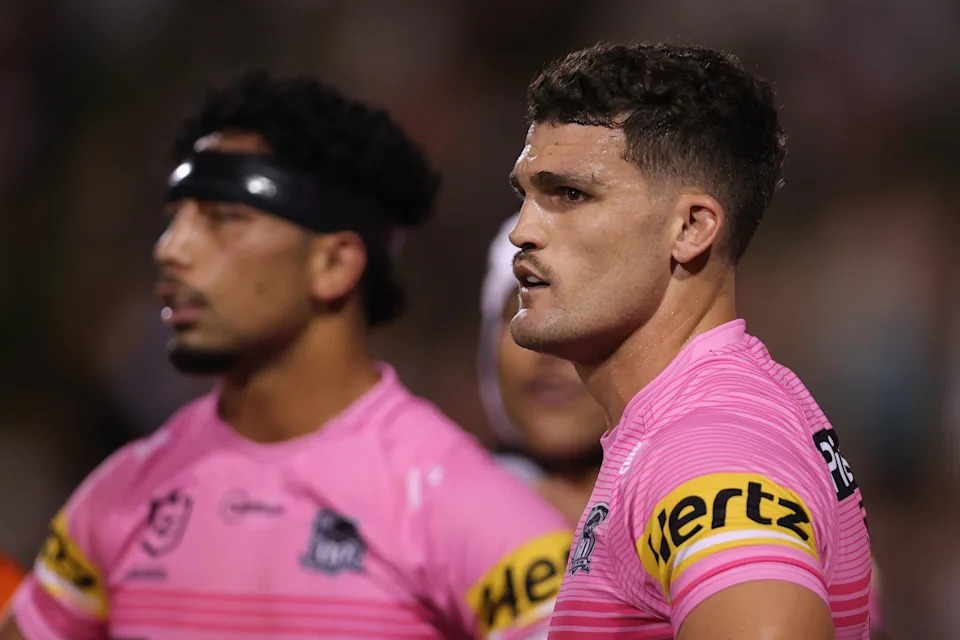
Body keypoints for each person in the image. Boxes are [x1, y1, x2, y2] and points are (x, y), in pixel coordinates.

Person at [1, 71, 571, 640]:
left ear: (333, 264)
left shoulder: (455, 502)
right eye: (176, 218)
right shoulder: (118, 497)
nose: (171, 250)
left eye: (224, 220)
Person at [506, 43, 872, 639]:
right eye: (523, 194)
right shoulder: (705, 413)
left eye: (570, 195)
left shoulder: (704, 445)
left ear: (691, 228)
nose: (523, 231)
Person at [479, 213, 607, 526]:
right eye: (524, 310)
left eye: (583, 313)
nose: (550, 348)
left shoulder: (714, 504)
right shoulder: (421, 516)